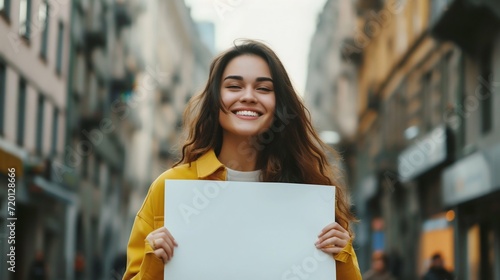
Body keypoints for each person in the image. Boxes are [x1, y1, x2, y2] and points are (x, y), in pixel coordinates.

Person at [123, 40, 361, 279]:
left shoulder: (310, 191)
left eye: (264, 89)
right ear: (215, 100)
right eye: (234, 86)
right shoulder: (170, 187)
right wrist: (153, 262)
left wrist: (343, 257)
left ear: (279, 104)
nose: (248, 97)